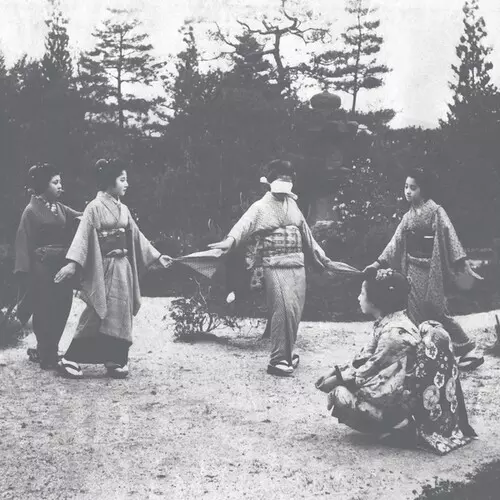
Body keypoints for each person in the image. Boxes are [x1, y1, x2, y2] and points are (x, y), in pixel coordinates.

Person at [209, 159, 360, 377]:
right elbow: (243, 225)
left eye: (288, 179)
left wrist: (322, 258)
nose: (285, 182)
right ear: (270, 181)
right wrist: (230, 241)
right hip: (275, 265)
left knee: (295, 310)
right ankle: (277, 359)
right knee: (282, 309)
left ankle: (288, 354)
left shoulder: (293, 205)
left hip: (297, 264)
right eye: (281, 178)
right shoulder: (260, 207)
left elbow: (306, 234)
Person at [316, 269, 476, 455]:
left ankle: (402, 426)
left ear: (375, 301)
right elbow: (363, 359)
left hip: (404, 399)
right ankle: (396, 424)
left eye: (362, 293)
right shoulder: (390, 322)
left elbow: (369, 370)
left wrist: (339, 380)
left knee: (340, 395)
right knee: (344, 387)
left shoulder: (394, 333)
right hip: (401, 389)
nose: (358, 298)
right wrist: (338, 372)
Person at [54, 159, 173, 379]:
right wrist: (73, 263)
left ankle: (115, 359)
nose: (127, 184)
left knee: (121, 312)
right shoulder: (94, 207)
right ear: (110, 181)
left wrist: (156, 256)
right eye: (122, 179)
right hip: (104, 266)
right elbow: (82, 236)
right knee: (97, 310)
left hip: (123, 267)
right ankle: (69, 358)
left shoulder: (124, 209)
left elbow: (137, 236)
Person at [364, 168, 483, 371]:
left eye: (413, 188)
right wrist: (377, 263)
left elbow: (450, 236)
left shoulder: (436, 211)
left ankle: (466, 347)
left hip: (431, 270)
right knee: (413, 313)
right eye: (406, 187)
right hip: (412, 269)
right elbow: (395, 243)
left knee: (437, 310)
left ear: (423, 189)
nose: (408, 191)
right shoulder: (407, 217)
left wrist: (462, 263)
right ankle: (422, 355)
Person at [14, 163, 82, 369]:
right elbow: (23, 241)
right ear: (43, 185)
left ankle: (51, 348)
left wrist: (97, 210)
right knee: (43, 308)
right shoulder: (31, 211)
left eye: (60, 182)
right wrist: (24, 272)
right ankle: (46, 352)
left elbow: (82, 216)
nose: (60, 186)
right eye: (55, 182)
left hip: (60, 264)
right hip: (41, 267)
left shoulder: (60, 208)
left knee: (63, 304)